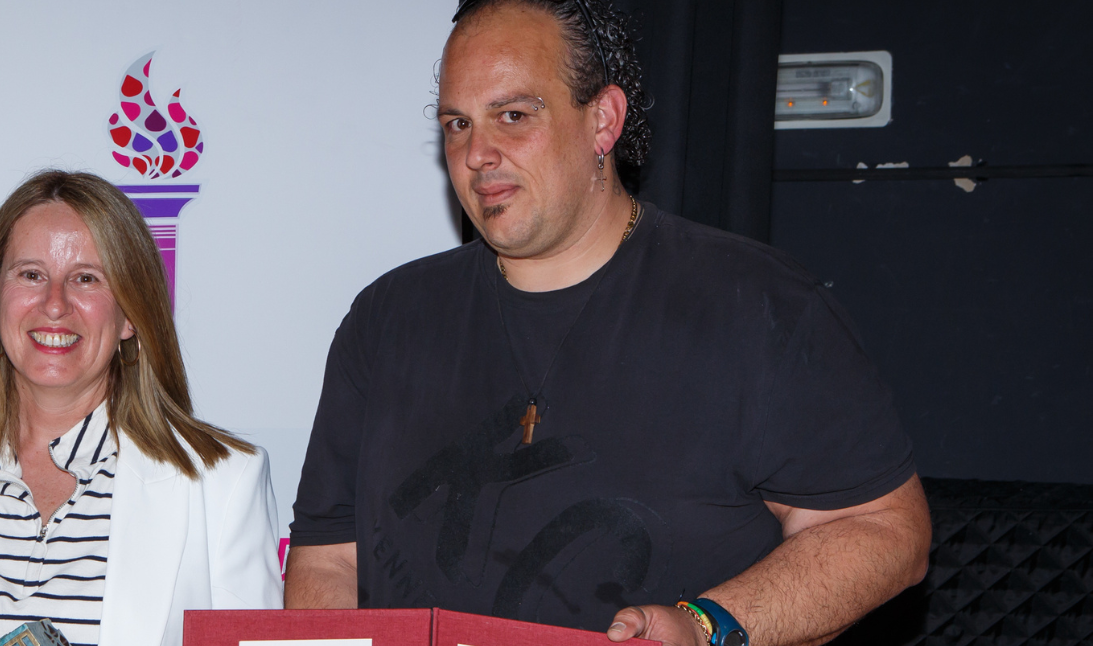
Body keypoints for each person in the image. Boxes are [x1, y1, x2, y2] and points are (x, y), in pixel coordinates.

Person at [283, 2, 931, 646]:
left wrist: (705, 624)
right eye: (457, 124)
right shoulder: (387, 319)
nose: (476, 154)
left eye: (513, 116)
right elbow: (329, 559)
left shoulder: (755, 304)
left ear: (602, 120)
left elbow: (882, 530)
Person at [0, 170, 282, 646]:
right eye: (31, 275)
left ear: (130, 314)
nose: (55, 304)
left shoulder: (222, 482)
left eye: (87, 279)